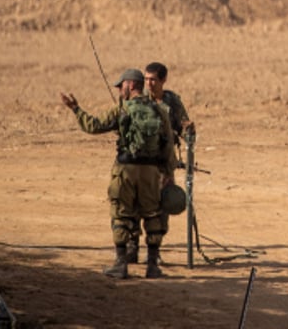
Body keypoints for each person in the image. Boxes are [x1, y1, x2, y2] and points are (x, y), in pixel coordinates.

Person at [60, 68, 174, 279]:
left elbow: (93, 126)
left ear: (131, 85)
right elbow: (168, 145)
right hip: (151, 172)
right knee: (153, 216)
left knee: (121, 214)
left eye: (121, 86)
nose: (120, 90)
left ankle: (121, 265)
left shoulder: (121, 110)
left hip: (125, 170)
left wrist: (75, 109)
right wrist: (166, 173)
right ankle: (152, 267)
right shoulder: (159, 111)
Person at [143, 61, 194, 264]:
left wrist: (189, 129)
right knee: (135, 205)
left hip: (164, 164)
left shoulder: (171, 102)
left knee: (162, 206)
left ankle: (154, 251)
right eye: (146, 79)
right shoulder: (139, 100)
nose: (149, 84)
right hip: (141, 162)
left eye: (153, 79)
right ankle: (129, 249)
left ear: (163, 80)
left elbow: (184, 126)